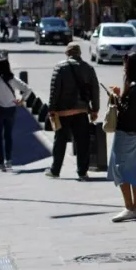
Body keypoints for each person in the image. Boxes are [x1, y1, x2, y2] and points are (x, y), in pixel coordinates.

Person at [107, 53, 136, 222]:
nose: (124, 68)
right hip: (135, 133)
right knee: (133, 169)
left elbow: (127, 113)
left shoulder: (135, 88)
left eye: (125, 65)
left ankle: (129, 207)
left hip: (126, 133)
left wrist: (116, 98)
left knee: (119, 168)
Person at [46, 42, 100, 180]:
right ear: (79, 53)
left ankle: (55, 170)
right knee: (83, 143)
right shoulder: (88, 68)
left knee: (60, 141)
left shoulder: (60, 67)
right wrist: (95, 109)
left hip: (63, 112)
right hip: (81, 111)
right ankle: (82, 172)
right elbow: (95, 90)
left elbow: (54, 90)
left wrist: (52, 108)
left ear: (67, 53)